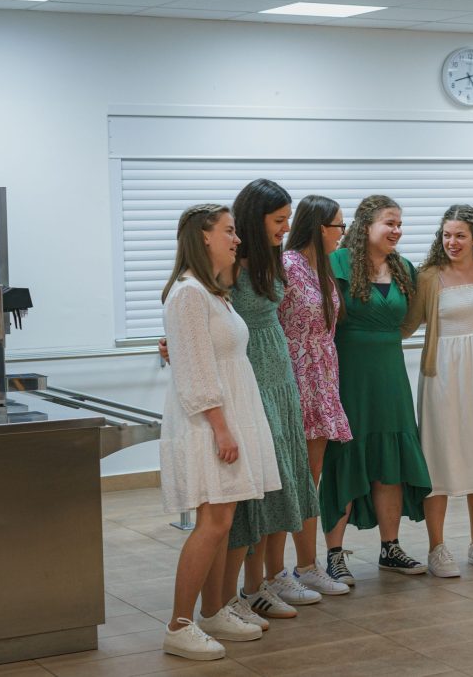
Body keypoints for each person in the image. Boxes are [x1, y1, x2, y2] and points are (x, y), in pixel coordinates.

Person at [159, 204, 279, 660]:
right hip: (208, 423)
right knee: (212, 523)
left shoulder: (212, 293)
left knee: (223, 521)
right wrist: (221, 429)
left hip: (227, 417)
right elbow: (195, 372)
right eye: (229, 231)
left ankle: (212, 611)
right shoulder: (188, 294)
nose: (237, 239)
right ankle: (179, 625)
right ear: (203, 236)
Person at [401, 204, 473, 577]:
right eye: (447, 235)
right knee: (439, 455)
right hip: (443, 372)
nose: (451, 242)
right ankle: (437, 547)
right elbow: (407, 324)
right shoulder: (429, 276)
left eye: (459, 236)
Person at [319, 194, 431, 578]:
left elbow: (409, 320)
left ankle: (390, 547)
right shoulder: (335, 264)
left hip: (391, 376)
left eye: (400, 224)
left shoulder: (404, 269)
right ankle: (335, 553)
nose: (397, 231)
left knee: (391, 460)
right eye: (389, 223)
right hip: (349, 375)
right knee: (344, 458)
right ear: (366, 225)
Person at [225, 179, 322, 622]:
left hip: (280, 372)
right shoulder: (231, 264)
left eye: (287, 219)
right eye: (279, 220)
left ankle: (266, 580)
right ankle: (247, 588)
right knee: (259, 486)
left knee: (282, 478)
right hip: (249, 375)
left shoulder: (271, 259)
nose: (286, 228)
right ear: (254, 218)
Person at [278, 194, 353, 595]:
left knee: (311, 477)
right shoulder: (287, 265)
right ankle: (287, 570)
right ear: (321, 227)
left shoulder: (321, 267)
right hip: (295, 377)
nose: (343, 233)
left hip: (321, 376)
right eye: (339, 225)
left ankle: (307, 565)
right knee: (295, 479)